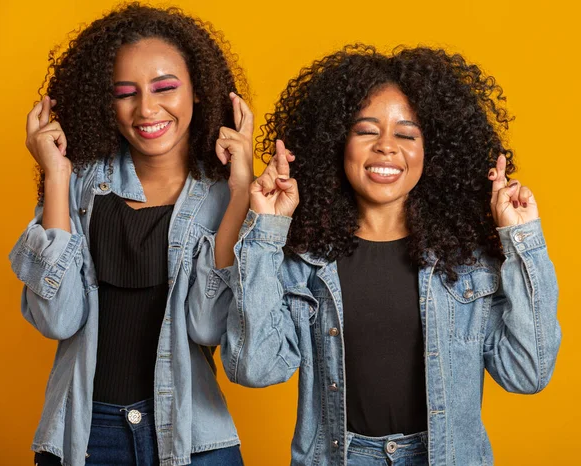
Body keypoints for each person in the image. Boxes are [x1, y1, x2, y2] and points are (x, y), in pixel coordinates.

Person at [219, 45, 561, 465]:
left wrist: (520, 236)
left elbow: (527, 373)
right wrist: (266, 232)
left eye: (406, 134)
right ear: (337, 144)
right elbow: (255, 369)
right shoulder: (302, 262)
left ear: (433, 152)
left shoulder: (468, 265)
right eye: (366, 131)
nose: (385, 147)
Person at [9, 3, 252, 465]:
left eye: (165, 87)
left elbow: (209, 325)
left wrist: (240, 192)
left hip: (191, 436)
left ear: (198, 91)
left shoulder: (224, 195)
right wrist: (56, 176)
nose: (147, 108)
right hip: (82, 437)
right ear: (107, 101)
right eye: (126, 93)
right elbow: (57, 320)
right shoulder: (79, 186)